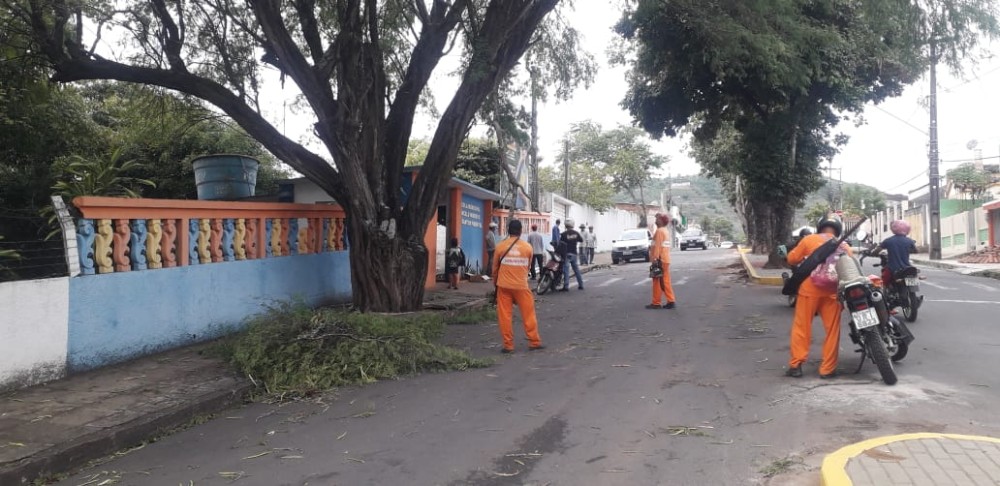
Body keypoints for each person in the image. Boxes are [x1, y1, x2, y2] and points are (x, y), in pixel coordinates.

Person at [785, 215, 852, 379]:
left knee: (802, 327)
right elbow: (850, 268)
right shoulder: (844, 245)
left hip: (809, 290)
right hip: (832, 292)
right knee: (832, 331)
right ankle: (827, 369)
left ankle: (796, 366)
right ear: (838, 229)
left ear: (820, 225)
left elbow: (792, 258)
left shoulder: (808, 240)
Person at [492, 220, 544, 353]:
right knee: (528, 314)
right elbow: (528, 267)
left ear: (508, 230)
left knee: (505, 316)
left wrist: (496, 285)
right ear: (521, 231)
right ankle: (534, 342)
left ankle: (508, 345)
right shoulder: (528, 248)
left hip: (503, 286)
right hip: (521, 286)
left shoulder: (500, 246)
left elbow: (495, 269)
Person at [647, 213, 677, 309]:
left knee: (657, 281)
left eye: (658, 218)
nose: (656, 220)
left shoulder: (660, 231)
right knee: (665, 281)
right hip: (665, 259)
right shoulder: (665, 231)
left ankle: (656, 303)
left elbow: (658, 246)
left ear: (661, 221)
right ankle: (671, 300)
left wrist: (655, 259)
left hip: (660, 260)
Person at [559, 219, 585, 291]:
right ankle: (581, 285)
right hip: (574, 254)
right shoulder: (576, 233)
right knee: (576, 270)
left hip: (567, 254)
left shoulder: (563, 234)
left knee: (566, 271)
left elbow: (560, 244)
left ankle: (566, 286)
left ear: (565, 225)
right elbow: (581, 240)